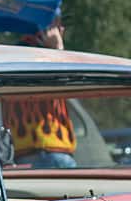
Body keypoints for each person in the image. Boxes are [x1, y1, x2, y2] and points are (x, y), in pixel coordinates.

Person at [8, 13, 78, 168]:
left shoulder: (12, 54)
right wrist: (58, 49)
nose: (62, 29)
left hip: (24, 151)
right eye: (57, 25)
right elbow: (69, 82)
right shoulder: (37, 57)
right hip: (52, 149)